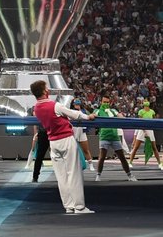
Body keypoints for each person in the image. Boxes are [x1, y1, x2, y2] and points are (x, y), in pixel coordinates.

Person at [32, 80, 97, 214]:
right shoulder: (54, 105)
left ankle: (69, 206)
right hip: (66, 139)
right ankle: (79, 207)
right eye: (46, 88)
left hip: (53, 142)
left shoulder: (36, 109)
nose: (48, 89)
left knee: (61, 176)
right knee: (74, 173)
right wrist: (88, 116)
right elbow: (74, 114)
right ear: (44, 91)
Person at [95, 93, 136, 182]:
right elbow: (91, 116)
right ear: (101, 102)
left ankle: (129, 175)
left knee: (122, 157)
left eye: (107, 102)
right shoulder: (98, 111)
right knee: (102, 157)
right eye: (104, 102)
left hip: (114, 137)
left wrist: (115, 114)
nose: (105, 103)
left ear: (109, 103)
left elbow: (121, 117)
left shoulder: (113, 111)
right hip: (104, 137)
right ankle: (98, 176)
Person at [127, 100, 158, 164]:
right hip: (142, 130)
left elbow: (154, 120)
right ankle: (130, 162)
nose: (146, 107)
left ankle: (159, 162)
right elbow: (140, 122)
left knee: (154, 147)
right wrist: (144, 131)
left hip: (150, 129)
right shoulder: (141, 111)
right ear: (143, 106)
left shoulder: (152, 112)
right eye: (145, 106)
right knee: (136, 147)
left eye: (147, 106)